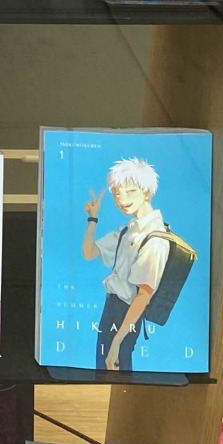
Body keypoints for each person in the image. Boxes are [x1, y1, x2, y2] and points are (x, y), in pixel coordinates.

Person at [82, 157, 169, 370]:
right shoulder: (128, 229)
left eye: (130, 192)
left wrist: (117, 342)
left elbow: (143, 296)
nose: (122, 199)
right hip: (110, 308)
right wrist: (92, 219)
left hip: (128, 313)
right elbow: (89, 253)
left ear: (146, 192)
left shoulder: (155, 238)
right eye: (117, 193)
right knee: (104, 370)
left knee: (117, 370)